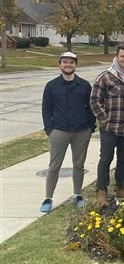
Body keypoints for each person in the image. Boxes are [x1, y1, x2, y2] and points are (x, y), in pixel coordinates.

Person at [39, 51, 96, 212]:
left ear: (75, 65)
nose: (68, 65)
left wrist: (91, 127)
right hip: (59, 131)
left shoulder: (84, 85)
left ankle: (77, 194)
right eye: (65, 62)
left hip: (81, 131)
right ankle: (48, 198)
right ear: (60, 64)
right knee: (54, 166)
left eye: (71, 62)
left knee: (78, 165)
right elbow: (46, 109)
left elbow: (91, 107)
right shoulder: (51, 86)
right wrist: (49, 129)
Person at [90, 43, 124, 207]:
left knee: (123, 159)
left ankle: (121, 186)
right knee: (106, 158)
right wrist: (103, 118)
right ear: (117, 57)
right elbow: (94, 100)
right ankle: (101, 190)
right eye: (123, 56)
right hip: (110, 128)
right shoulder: (105, 76)